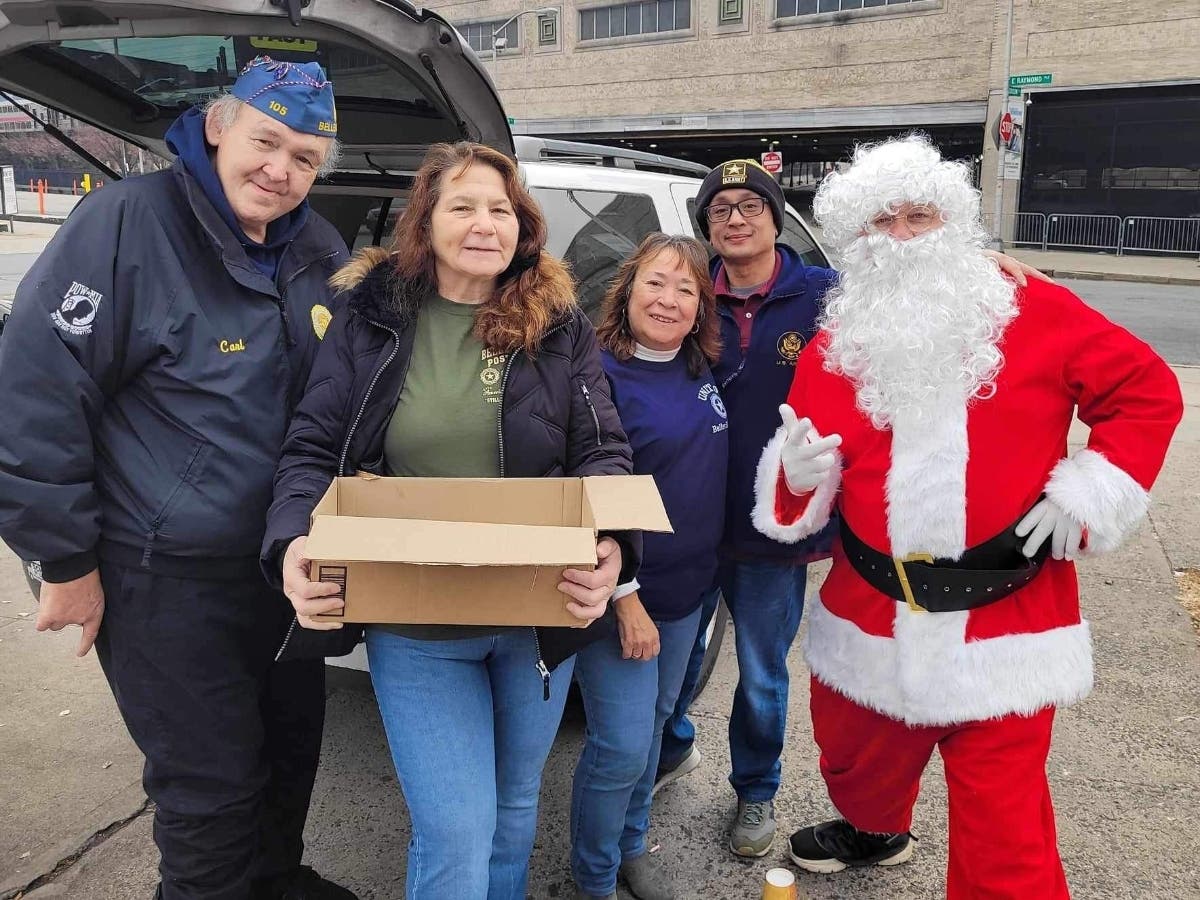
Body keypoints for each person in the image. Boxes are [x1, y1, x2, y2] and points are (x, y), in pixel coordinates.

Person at [753, 135, 1183, 897]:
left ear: (954, 225)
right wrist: (794, 480)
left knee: (1008, 847)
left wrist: (1092, 488)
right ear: (858, 240)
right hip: (868, 619)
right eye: (884, 222)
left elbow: (1147, 391)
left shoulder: (1034, 306)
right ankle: (872, 828)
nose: (904, 237)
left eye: (922, 216)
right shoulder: (834, 344)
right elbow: (803, 479)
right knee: (853, 766)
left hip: (1008, 625)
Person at [0, 57, 355, 899]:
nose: (281, 170)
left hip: (284, 563)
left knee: (289, 752)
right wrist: (67, 564)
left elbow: (348, 391)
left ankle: (273, 883)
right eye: (267, 141)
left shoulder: (317, 244)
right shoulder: (127, 222)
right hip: (165, 578)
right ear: (217, 125)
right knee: (211, 789)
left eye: (305, 158)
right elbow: (35, 397)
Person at [261, 141, 638, 900]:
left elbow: (605, 450)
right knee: (457, 830)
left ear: (522, 225)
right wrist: (294, 540)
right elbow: (311, 448)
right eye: (462, 205)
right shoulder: (371, 319)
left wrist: (613, 548)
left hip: (538, 615)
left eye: (500, 207)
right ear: (424, 221)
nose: (483, 222)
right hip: (417, 624)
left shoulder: (556, 324)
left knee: (513, 808)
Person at [654, 156, 1054, 858]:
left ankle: (755, 791)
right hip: (687, 523)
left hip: (774, 537)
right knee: (677, 665)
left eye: (751, 205)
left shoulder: (828, 294)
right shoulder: (688, 295)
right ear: (705, 227)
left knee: (761, 675)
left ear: (776, 219)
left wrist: (994, 265)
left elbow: (914, 283)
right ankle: (672, 750)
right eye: (720, 210)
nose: (736, 218)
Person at [570, 234, 728, 900]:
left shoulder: (698, 369)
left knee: (659, 727)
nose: (668, 300)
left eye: (685, 289)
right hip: (625, 600)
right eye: (656, 284)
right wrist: (626, 597)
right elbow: (587, 494)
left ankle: (631, 845)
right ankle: (595, 878)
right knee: (621, 749)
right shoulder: (599, 373)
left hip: (691, 595)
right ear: (627, 289)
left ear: (701, 309)